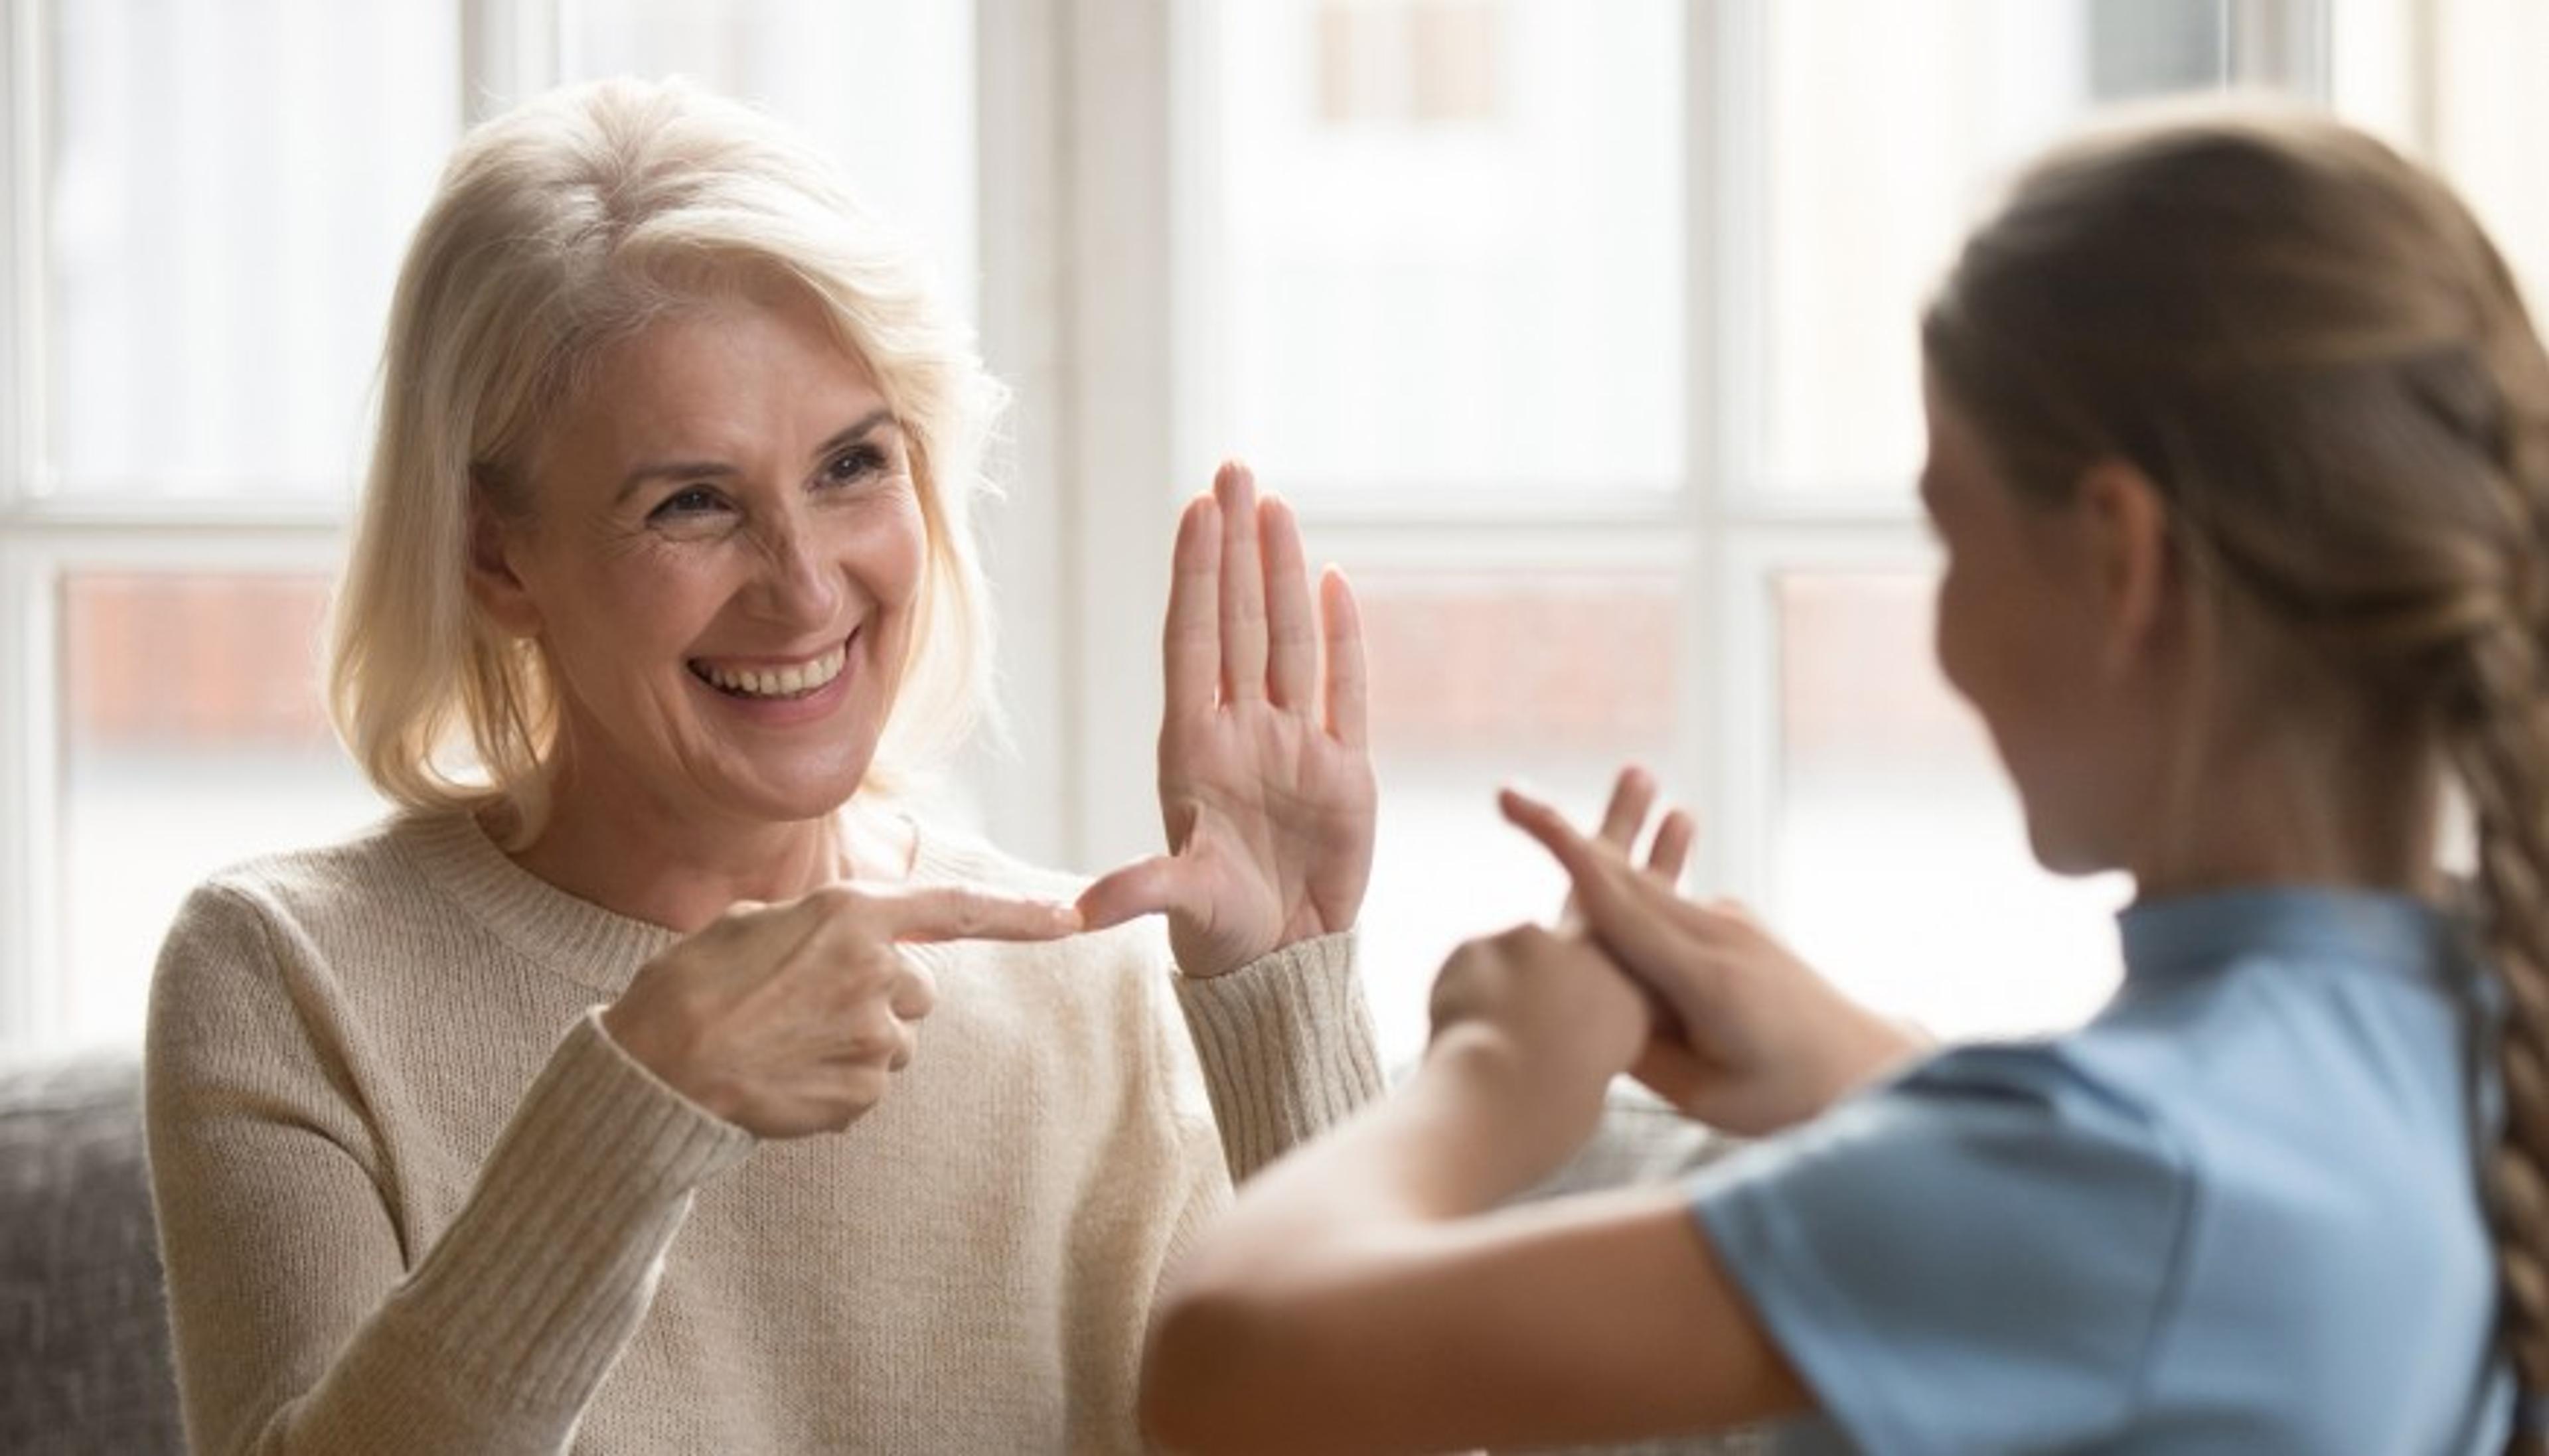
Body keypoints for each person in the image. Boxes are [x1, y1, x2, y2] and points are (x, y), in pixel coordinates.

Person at [1140, 105, 2546, 1455]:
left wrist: (1499, 1076)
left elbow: (1222, 1356)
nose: (1945, 636)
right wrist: (1871, 1074)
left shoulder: (2118, 1184)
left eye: (1955, 533)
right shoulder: (2468, 1040)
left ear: (2122, 557)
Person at [143, 77, 1384, 1454]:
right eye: (692, 501)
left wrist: (1289, 1015)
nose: (804, 589)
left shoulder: (1093, 994)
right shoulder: (287, 975)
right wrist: (637, 1103)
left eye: (853, 464)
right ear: (499, 554)